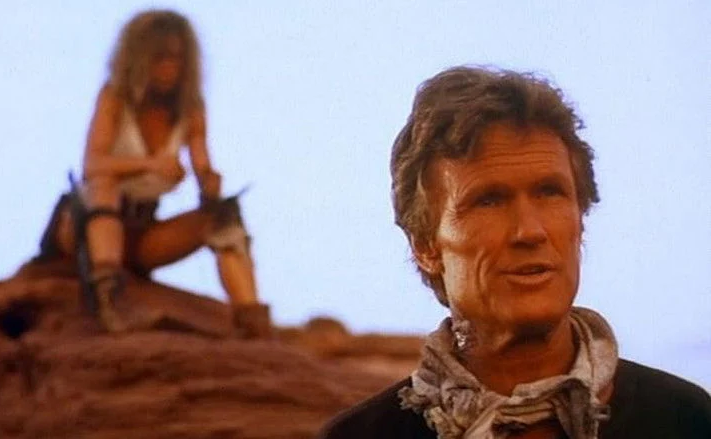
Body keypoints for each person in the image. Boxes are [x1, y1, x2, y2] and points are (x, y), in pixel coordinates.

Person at [319, 66, 711, 438]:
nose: (530, 231)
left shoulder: (685, 421)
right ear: (425, 246)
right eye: (489, 200)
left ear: (580, 220)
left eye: (550, 192)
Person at [35, 10, 271, 338]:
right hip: (86, 230)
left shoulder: (190, 108)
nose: (168, 67)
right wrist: (151, 165)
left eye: (177, 58)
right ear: (140, 57)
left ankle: (253, 321)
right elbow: (92, 164)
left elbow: (203, 164)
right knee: (104, 186)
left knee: (224, 218)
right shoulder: (115, 96)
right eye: (160, 57)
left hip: (142, 236)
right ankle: (109, 302)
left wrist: (210, 186)